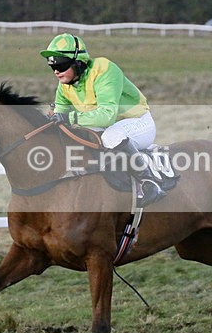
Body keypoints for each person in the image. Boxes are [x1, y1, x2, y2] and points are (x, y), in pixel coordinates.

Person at [39, 33, 165, 205]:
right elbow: (60, 119)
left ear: (78, 61)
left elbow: (106, 117)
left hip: (138, 122)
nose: (56, 71)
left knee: (110, 137)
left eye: (61, 65)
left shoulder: (104, 69)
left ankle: (149, 183)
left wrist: (70, 117)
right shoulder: (64, 87)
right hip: (108, 126)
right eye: (52, 66)